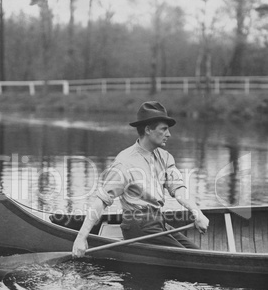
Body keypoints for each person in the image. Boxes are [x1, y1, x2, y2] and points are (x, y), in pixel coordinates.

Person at [72, 101, 209, 257]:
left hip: (157, 222)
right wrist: (81, 238)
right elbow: (101, 201)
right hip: (138, 226)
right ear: (148, 130)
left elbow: (178, 189)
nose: (169, 134)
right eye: (164, 129)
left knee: (199, 253)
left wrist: (197, 213)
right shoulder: (125, 162)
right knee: (191, 258)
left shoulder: (165, 157)